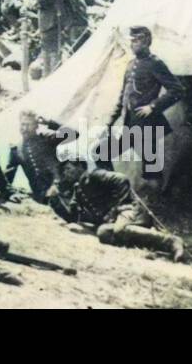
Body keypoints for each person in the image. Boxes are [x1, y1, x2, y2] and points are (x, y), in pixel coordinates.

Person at [48, 155, 184, 261]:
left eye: (68, 168)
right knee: (103, 233)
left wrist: (117, 208)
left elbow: (122, 179)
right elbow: (73, 217)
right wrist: (55, 201)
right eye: (64, 171)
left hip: (130, 210)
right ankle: (152, 244)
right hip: (117, 218)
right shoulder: (78, 189)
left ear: (79, 166)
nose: (66, 173)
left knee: (119, 230)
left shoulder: (94, 175)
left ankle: (171, 241)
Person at [96, 26, 184, 180]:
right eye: (132, 41)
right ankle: (116, 192)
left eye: (137, 40)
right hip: (130, 125)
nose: (133, 44)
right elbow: (123, 97)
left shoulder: (155, 64)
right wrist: (109, 122)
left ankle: (155, 202)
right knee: (100, 154)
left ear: (146, 42)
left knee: (152, 170)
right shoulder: (130, 65)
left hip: (147, 126)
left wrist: (153, 106)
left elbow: (177, 90)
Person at [5, 109, 66, 204]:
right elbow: (8, 177)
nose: (24, 128)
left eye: (28, 125)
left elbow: (74, 133)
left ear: (36, 126)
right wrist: (9, 193)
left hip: (61, 191)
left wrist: (49, 123)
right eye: (22, 124)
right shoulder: (16, 150)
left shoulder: (47, 139)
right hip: (41, 197)